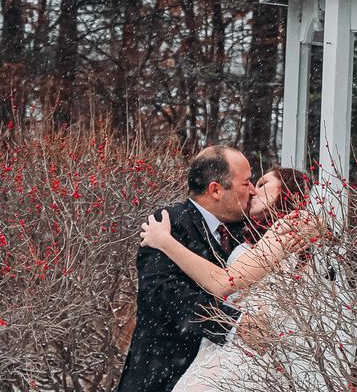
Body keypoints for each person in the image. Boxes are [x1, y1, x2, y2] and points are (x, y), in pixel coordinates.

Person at [138, 167, 323, 392]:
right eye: (251, 183)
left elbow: (223, 282)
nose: (254, 191)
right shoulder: (248, 233)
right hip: (226, 347)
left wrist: (164, 240)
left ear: (289, 191)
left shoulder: (291, 227)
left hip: (249, 349)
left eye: (263, 184)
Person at [118, 145, 263, 392]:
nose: (252, 191)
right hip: (164, 375)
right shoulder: (167, 226)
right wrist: (231, 323)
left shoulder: (247, 232)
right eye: (246, 183)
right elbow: (163, 294)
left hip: (228, 377)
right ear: (215, 189)